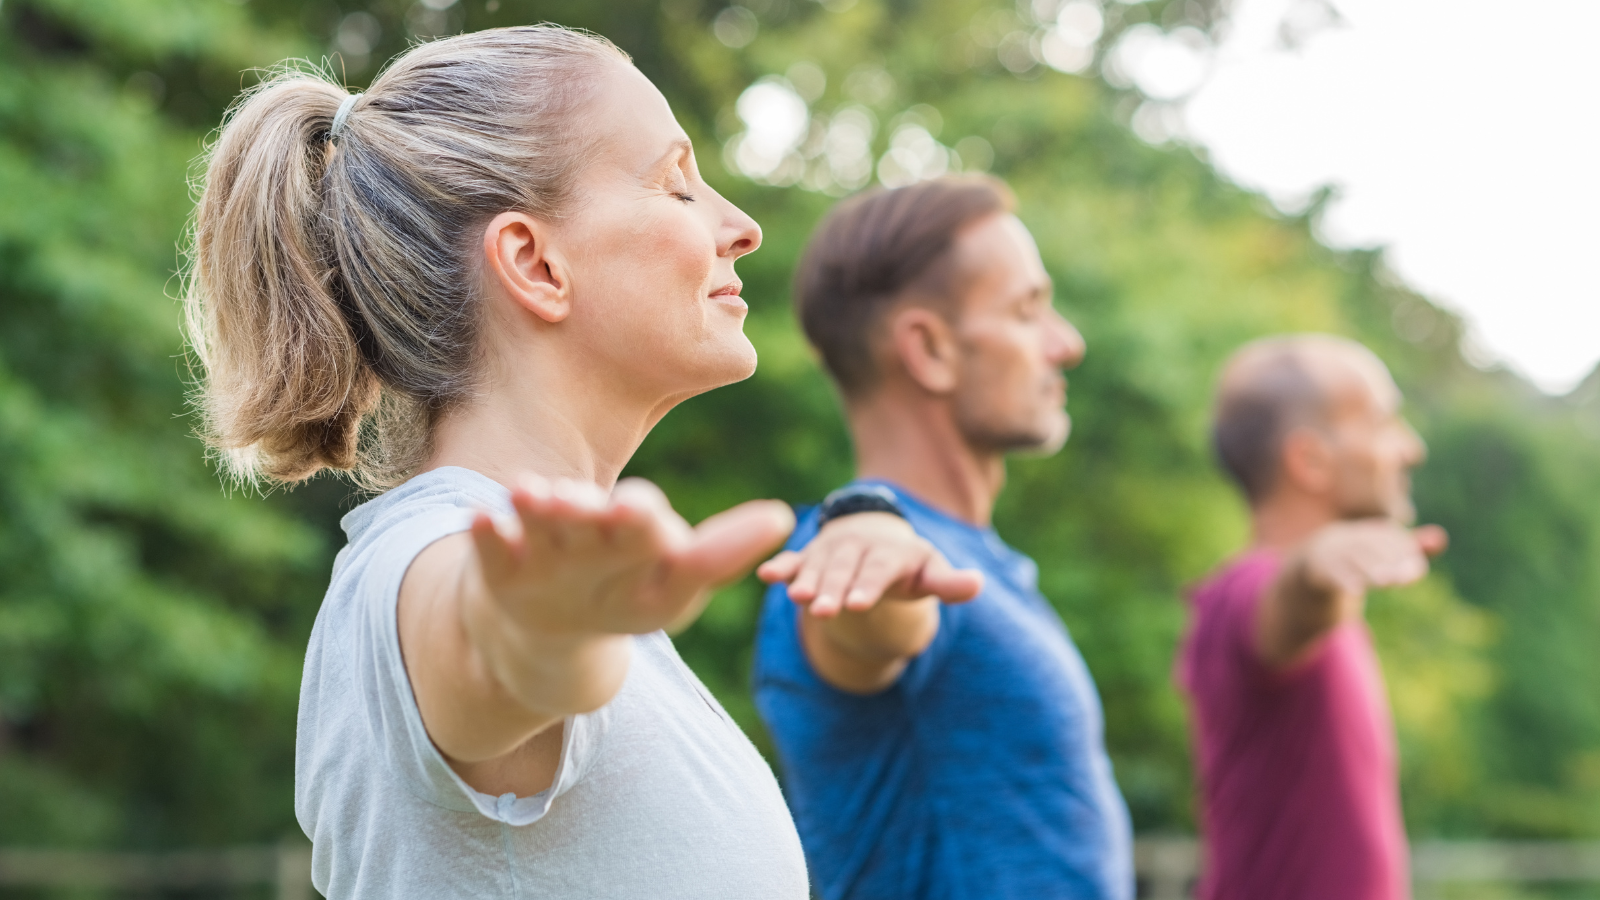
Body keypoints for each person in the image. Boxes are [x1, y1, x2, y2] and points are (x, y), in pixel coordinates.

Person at [183, 26, 832, 899]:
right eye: (677, 185)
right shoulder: (428, 561)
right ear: (535, 262)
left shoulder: (584, 606)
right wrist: (543, 630)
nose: (740, 227)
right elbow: (484, 644)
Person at [752, 176, 1135, 900]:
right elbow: (871, 619)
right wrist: (871, 542)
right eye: (1029, 311)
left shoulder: (975, 563)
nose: (1067, 344)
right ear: (929, 349)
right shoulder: (853, 561)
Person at [1176, 334, 1448, 900]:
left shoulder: (1334, 614)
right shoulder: (1241, 594)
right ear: (1310, 460)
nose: (1410, 448)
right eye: (1382, 423)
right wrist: (1313, 564)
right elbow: (1287, 601)